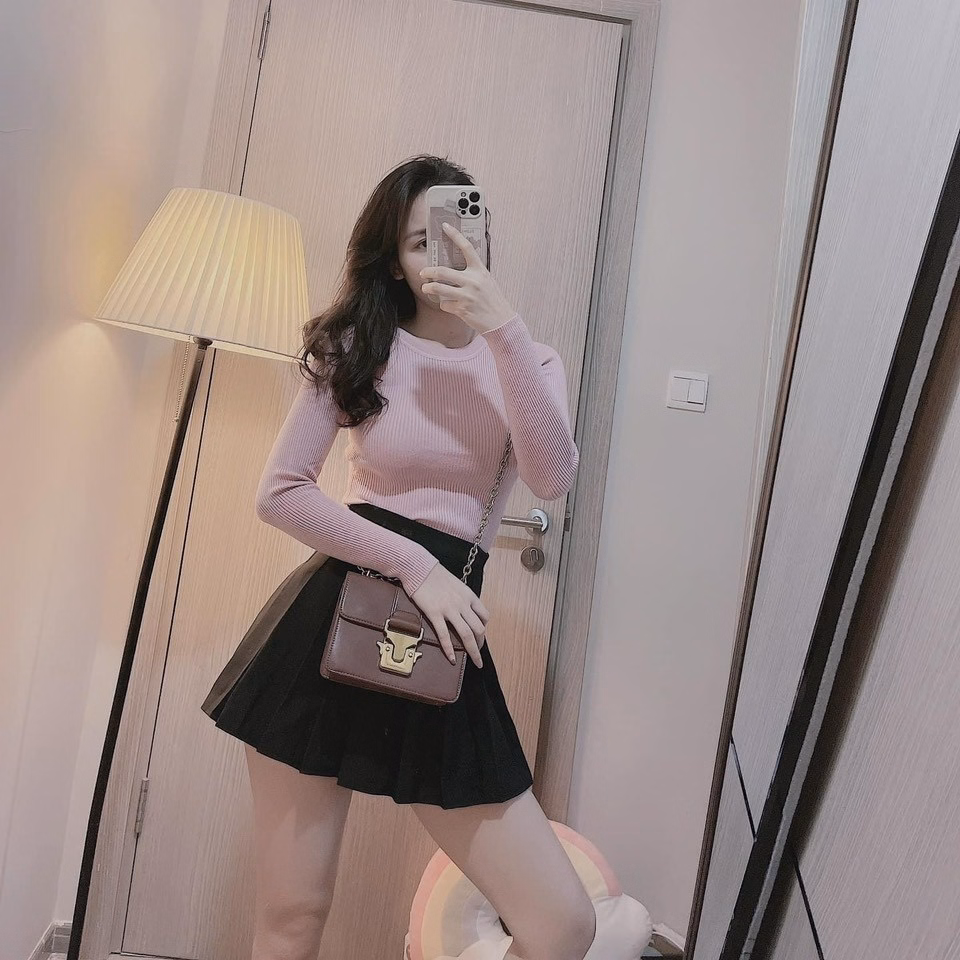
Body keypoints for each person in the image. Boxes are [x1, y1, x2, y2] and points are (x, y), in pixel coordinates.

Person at [201, 155, 600, 960]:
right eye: (422, 242)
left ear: (485, 236)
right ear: (394, 263)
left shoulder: (530, 359)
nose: (444, 253)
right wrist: (417, 567)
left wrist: (504, 330)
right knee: (293, 916)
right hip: (333, 623)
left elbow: (552, 479)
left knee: (562, 925)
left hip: (447, 643)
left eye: (461, 231)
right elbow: (281, 493)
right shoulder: (358, 346)